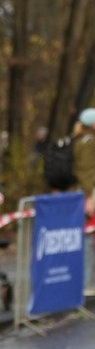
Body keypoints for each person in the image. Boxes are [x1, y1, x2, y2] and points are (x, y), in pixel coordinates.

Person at [72, 108, 95, 294]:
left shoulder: (81, 141)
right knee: (88, 238)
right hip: (90, 195)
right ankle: (86, 284)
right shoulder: (88, 143)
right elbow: (86, 171)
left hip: (86, 193)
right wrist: (88, 198)